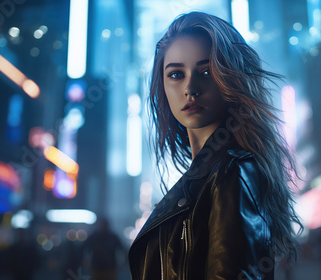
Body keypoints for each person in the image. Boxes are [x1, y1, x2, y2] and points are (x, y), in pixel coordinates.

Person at [128, 12, 301, 279]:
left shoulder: (232, 171)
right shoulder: (209, 174)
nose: (190, 88)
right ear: (161, 85)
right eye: (175, 74)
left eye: (206, 71)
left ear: (230, 78)